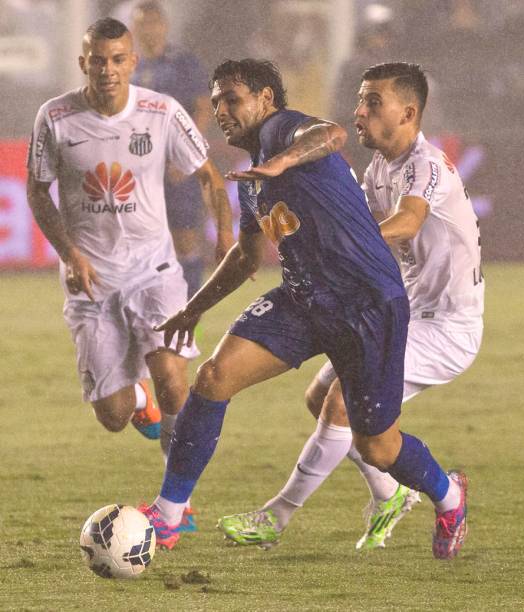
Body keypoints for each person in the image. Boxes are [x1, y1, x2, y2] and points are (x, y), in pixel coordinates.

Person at [139, 58, 467, 560]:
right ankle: (169, 515)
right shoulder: (250, 175)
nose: (223, 108)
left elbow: (332, 133)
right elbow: (247, 256)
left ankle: (448, 494)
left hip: (366, 304)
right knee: (213, 377)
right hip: (305, 298)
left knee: (378, 446)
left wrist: (284, 162)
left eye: (234, 98)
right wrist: (192, 309)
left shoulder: (283, 130)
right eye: (218, 98)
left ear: (266, 100)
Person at [26, 18, 233, 506]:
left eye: (118, 59)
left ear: (132, 62)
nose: (108, 69)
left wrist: (223, 234)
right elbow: (37, 191)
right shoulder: (55, 118)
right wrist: (70, 254)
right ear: (84, 63)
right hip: (91, 281)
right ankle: (137, 401)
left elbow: (208, 176)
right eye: (98, 60)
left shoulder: (161, 112)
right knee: (113, 415)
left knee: (172, 378)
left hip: (155, 271)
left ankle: (174, 504)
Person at [130, 0, 213, 298]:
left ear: (164, 26)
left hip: (178, 167)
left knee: (185, 239)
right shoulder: (129, 66)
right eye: (141, 23)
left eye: (153, 22)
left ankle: (190, 316)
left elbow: (203, 108)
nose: (148, 29)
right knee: (144, 242)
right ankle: (154, 316)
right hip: (141, 169)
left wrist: (185, 154)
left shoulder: (182, 63)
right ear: (134, 28)